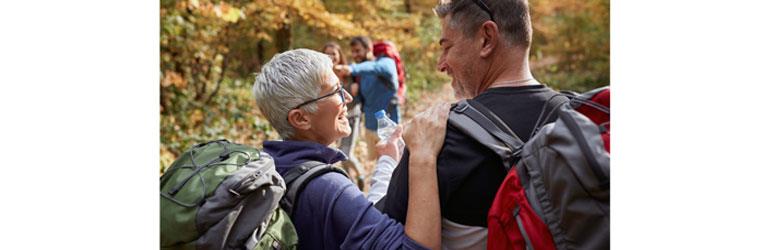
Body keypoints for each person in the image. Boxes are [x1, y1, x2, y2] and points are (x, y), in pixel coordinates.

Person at [376, 0, 568, 248]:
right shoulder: (580, 120)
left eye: (447, 47)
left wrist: (387, 163)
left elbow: (380, 233)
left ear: (487, 39)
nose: (441, 64)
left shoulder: (440, 138)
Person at [253, 48, 449, 249]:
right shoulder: (327, 187)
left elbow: (362, 221)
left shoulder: (268, 166)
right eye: (335, 91)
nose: (347, 97)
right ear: (301, 118)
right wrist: (423, 157)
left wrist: (386, 161)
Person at [334, 36, 401, 163]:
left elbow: (375, 67)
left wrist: (351, 69)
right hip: (370, 126)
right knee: (378, 166)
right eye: (353, 52)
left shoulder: (386, 62)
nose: (355, 55)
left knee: (393, 166)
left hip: (389, 127)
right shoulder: (360, 75)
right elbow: (361, 102)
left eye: (358, 51)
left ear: (369, 49)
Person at [321, 42, 366, 189]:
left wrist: (356, 89)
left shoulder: (349, 73)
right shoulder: (322, 75)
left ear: (340, 55)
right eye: (327, 53)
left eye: (334, 53)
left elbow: (360, 94)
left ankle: (360, 175)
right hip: (333, 119)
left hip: (352, 116)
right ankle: (351, 183)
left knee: (345, 152)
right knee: (339, 154)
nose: (331, 57)